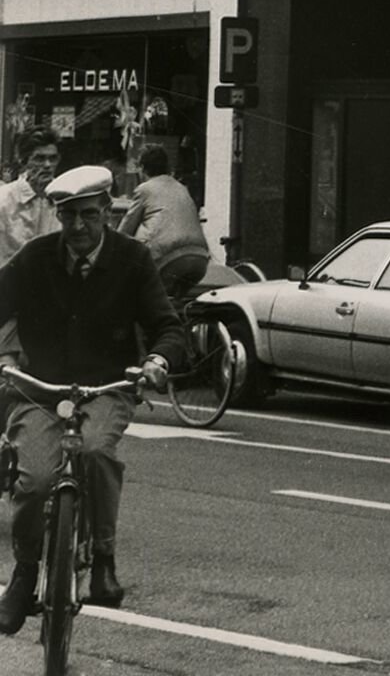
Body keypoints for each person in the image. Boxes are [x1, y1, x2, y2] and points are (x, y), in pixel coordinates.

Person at [0, 164, 181, 632]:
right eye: (68, 217)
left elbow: (167, 325)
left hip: (106, 388)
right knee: (35, 479)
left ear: (107, 211)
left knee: (98, 452)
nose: (78, 227)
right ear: (57, 216)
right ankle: (23, 574)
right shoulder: (36, 257)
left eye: (88, 215)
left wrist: (157, 362)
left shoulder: (132, 259)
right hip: (41, 390)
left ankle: (102, 557)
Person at [119, 145, 211, 297]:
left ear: (142, 167)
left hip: (167, 258)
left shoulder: (145, 189)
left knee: (139, 294)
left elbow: (125, 230)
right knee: (175, 304)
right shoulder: (181, 187)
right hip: (199, 258)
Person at [0, 130, 61, 267]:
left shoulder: (64, 197)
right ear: (24, 161)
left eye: (53, 158)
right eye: (39, 159)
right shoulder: (4, 200)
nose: (47, 165)